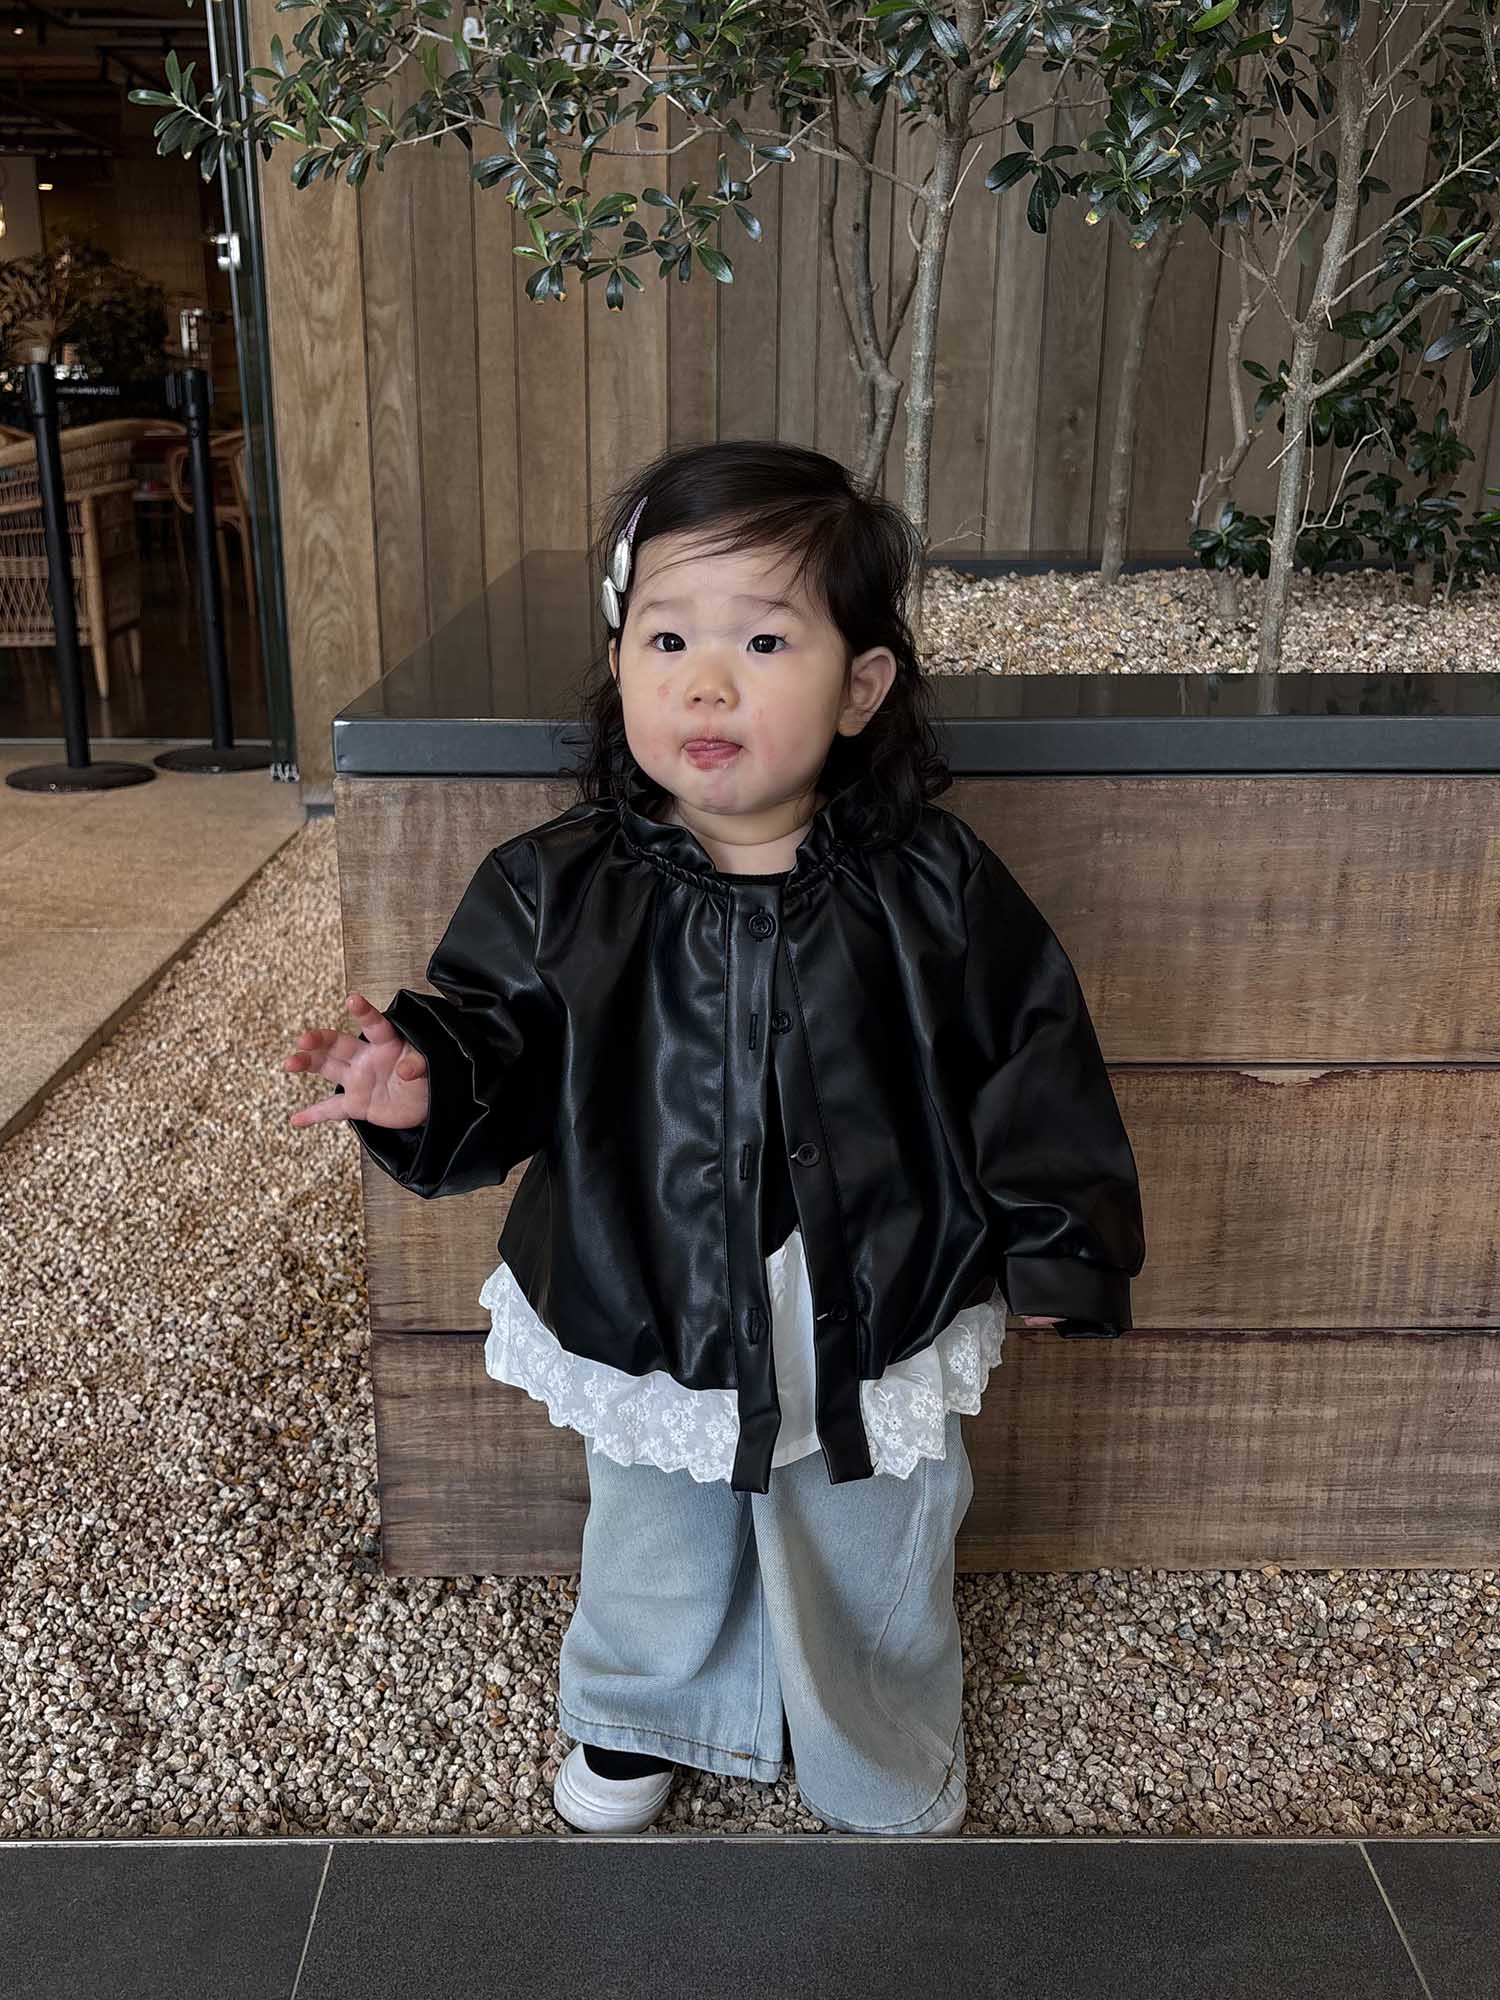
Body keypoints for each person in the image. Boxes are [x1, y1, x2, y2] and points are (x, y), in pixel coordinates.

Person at [281, 438, 1146, 1840]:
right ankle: (642, 1708)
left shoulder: (934, 884)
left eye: (764, 640)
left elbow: (1027, 1059)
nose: (706, 682)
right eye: (667, 637)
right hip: (649, 1278)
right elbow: (501, 1046)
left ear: (861, 685)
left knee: (878, 1523)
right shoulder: (555, 887)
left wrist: (1062, 1247)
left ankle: (875, 1738)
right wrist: (424, 1083)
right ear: (621, 662)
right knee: (654, 1520)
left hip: (875, 1282)